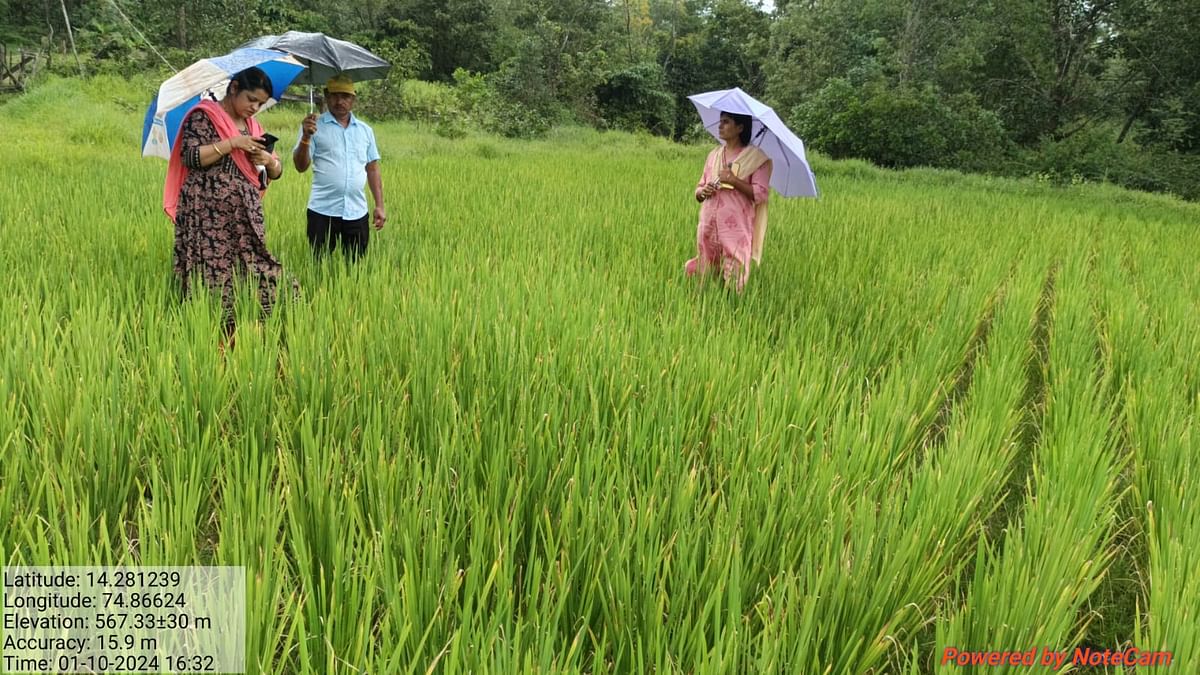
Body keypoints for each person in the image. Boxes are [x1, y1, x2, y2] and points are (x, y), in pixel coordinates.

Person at [163, 66, 288, 343]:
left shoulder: (255, 127)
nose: (254, 108)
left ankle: (252, 324)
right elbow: (191, 157)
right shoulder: (204, 116)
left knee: (255, 265)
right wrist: (232, 143)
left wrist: (268, 162)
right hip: (207, 211)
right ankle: (210, 333)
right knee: (212, 269)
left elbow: (277, 172)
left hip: (245, 211)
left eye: (260, 103)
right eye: (250, 99)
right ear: (233, 89)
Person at [292, 74, 386, 259]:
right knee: (318, 266)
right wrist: (305, 137)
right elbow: (300, 166)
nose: (339, 101)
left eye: (345, 96)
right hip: (322, 210)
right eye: (334, 95)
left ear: (353, 99)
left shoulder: (365, 131)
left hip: (357, 211)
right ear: (326, 96)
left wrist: (380, 206)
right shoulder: (313, 127)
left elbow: (372, 169)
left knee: (356, 266)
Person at [685, 111, 772, 293]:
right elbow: (698, 189)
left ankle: (731, 309)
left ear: (740, 127)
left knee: (734, 269)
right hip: (708, 222)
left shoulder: (756, 159)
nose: (720, 126)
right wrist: (703, 191)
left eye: (726, 122)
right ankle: (704, 303)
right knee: (706, 265)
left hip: (735, 227)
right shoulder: (714, 155)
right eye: (720, 121)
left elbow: (761, 194)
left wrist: (734, 181)